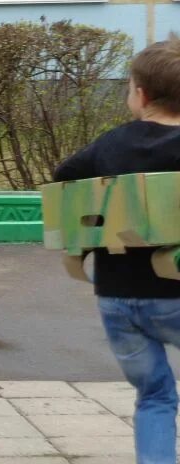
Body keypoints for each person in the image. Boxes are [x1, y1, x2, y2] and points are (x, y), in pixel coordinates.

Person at [52, 38, 180, 464]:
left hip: (117, 297)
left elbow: (64, 175)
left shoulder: (111, 144)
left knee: (155, 395)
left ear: (140, 95)